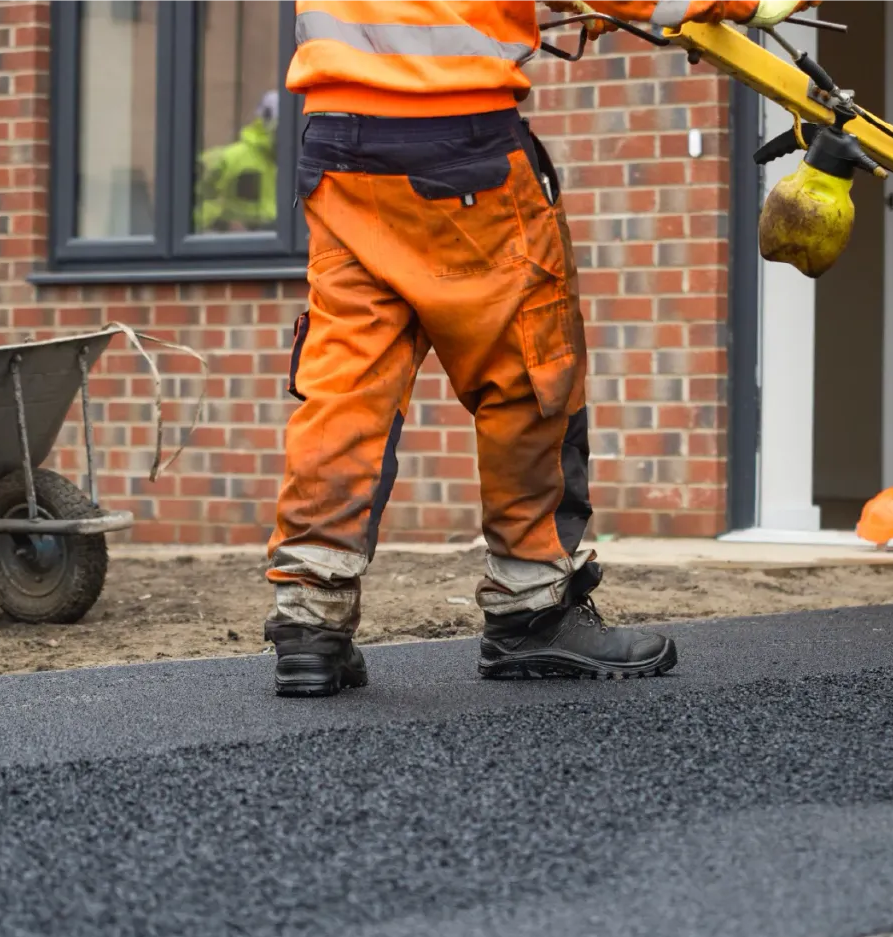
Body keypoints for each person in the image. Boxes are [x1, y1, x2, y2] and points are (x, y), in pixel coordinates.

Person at [268, 0, 825, 697]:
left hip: (341, 151)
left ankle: (310, 620)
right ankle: (532, 608)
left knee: (348, 385)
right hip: (459, 150)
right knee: (531, 371)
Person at [194, 91, 280, 233]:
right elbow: (189, 203)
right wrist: (223, 223)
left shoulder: (304, 165)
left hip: (277, 245)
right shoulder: (227, 159)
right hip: (236, 246)